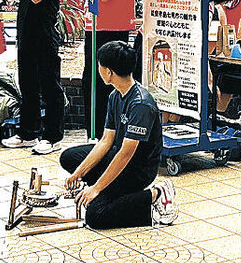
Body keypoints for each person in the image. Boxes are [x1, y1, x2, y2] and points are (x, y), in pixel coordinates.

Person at [60, 41, 177, 229]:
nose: (98, 69)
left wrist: (96, 189)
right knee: (69, 157)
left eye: (100, 65)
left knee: (96, 216)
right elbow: (106, 141)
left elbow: (126, 154)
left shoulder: (141, 104)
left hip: (137, 169)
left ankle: (156, 194)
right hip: (117, 155)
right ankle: (109, 191)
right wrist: (78, 173)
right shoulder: (115, 95)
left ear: (109, 72)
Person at [69, 0, 136, 140]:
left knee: (106, 84)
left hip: (112, 29)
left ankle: (106, 139)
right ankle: (96, 137)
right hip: (96, 26)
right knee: (93, 82)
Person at [1, 0, 65, 154]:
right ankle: (28, 133)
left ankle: (52, 136)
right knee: (27, 84)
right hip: (26, 32)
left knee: (50, 85)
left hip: (45, 34)